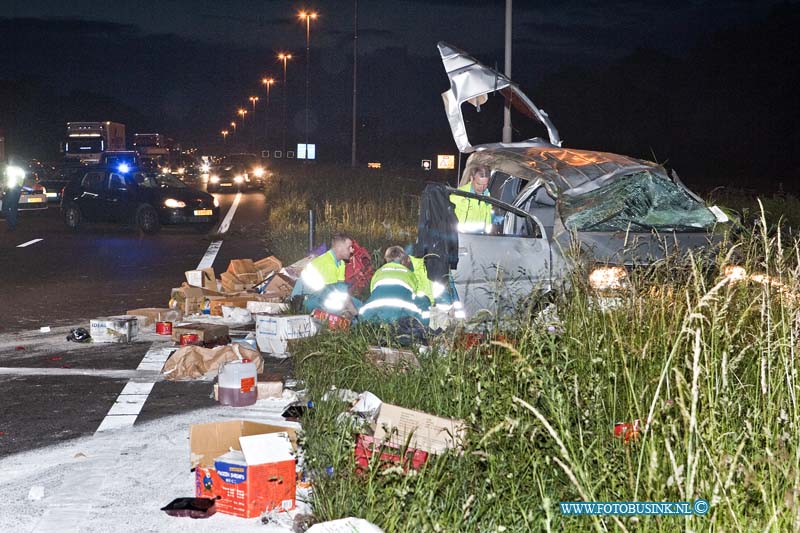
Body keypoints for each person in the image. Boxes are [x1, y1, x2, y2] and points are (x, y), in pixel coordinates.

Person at [360, 246, 430, 327]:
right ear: (403, 261)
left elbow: (373, 290)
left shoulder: (378, 273)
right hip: (402, 311)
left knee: (363, 316)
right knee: (424, 301)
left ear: (386, 260)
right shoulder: (409, 273)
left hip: (376, 308)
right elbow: (414, 291)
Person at [293, 232, 360, 317]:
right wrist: (354, 312)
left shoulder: (340, 263)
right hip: (303, 300)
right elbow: (333, 293)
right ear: (339, 248)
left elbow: (341, 290)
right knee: (340, 306)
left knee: (356, 303)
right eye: (349, 247)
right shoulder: (328, 264)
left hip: (318, 296)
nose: (352, 250)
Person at [449, 164, 493, 233]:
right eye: (479, 184)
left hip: (482, 239)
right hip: (462, 239)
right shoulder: (458, 195)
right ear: (472, 179)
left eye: (485, 184)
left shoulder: (487, 195)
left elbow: (488, 220)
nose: (482, 188)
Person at [1, 165, 23, 232]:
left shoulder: (10, 169)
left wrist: (2, 190)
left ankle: (12, 225)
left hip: (12, 190)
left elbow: (6, 181)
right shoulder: (19, 169)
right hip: (16, 189)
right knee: (13, 208)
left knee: (6, 208)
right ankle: (13, 223)